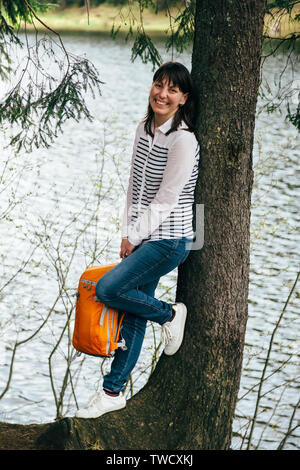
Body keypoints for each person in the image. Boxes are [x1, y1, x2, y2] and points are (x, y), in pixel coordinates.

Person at [75, 61, 200, 419]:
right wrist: (127, 234)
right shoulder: (143, 128)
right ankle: (112, 392)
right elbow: (135, 187)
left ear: (183, 98)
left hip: (170, 240)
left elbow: (167, 198)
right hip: (143, 236)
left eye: (172, 89)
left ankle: (169, 314)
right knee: (132, 312)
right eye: (159, 85)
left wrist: (137, 235)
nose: (163, 93)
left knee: (108, 289)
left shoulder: (183, 140)